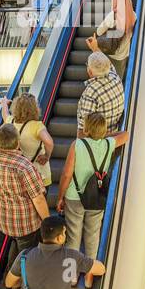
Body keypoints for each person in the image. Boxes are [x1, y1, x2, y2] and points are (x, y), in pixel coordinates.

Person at [56, 111, 128, 263]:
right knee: (92, 235)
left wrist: (60, 197)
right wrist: (105, 134)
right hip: (96, 196)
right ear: (103, 129)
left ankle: (72, 274)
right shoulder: (109, 144)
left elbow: (67, 174)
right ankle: (89, 274)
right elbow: (126, 134)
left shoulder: (77, 144)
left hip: (74, 197)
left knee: (73, 236)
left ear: (86, 129)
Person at [0, 122, 50, 256]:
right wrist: (48, 223)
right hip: (25, 224)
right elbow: (38, 200)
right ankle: (19, 274)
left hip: (3, 220)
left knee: (16, 250)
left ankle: (10, 271)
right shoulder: (24, 166)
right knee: (27, 257)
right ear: (18, 143)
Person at [3, 92, 54, 189]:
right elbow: (49, 142)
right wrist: (47, 155)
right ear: (34, 109)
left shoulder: (10, 122)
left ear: (16, 107)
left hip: (21, 175)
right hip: (39, 174)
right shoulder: (36, 126)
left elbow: (5, 114)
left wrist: (4, 103)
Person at [77, 51, 124, 136]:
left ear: (90, 72)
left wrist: (78, 147)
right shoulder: (115, 77)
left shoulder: (91, 93)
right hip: (114, 133)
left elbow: (84, 128)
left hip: (98, 140)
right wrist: (95, 48)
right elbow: (110, 66)